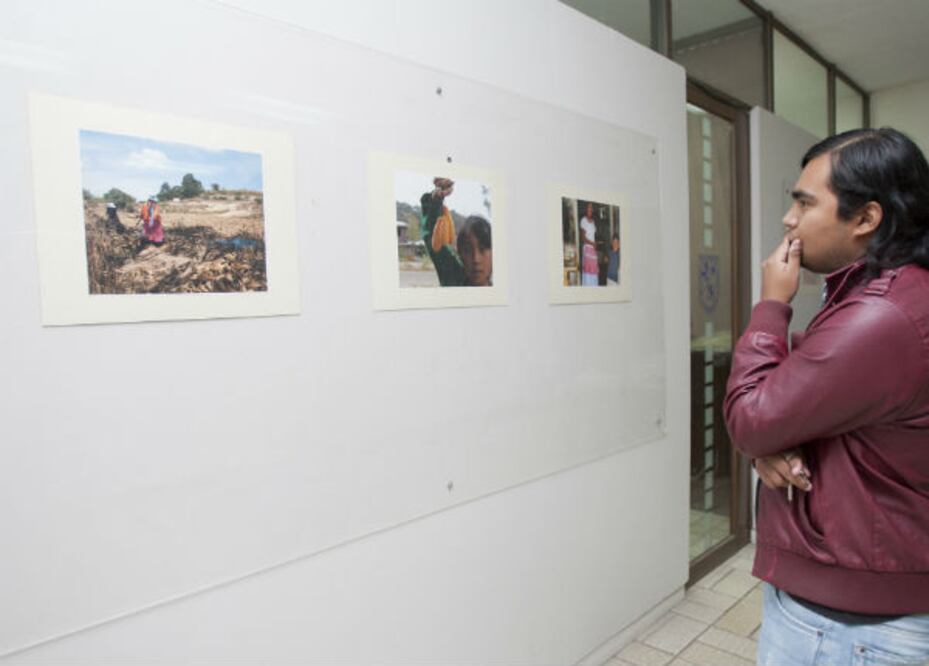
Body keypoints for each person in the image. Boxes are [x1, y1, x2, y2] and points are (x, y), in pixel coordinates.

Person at [723, 128, 929, 665]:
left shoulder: (883, 316)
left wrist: (771, 306)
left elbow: (751, 417)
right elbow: (811, 382)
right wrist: (773, 426)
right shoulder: (899, 292)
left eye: (804, 202)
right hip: (863, 610)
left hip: (849, 630)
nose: (789, 219)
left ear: (866, 219)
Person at [420, 177, 493, 287]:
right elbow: (435, 240)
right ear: (459, 254)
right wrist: (436, 200)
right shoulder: (453, 279)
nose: (476, 259)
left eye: (483, 249)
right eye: (468, 251)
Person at [579, 202, 598, 286]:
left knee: (594, 273)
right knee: (588, 274)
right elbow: (583, 238)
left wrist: (594, 245)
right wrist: (592, 243)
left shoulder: (593, 221)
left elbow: (592, 236)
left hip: (593, 250)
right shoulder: (583, 220)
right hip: (587, 249)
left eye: (591, 207)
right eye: (589, 207)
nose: (590, 209)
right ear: (586, 209)